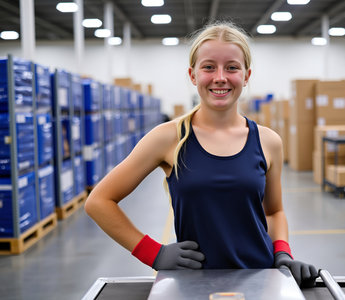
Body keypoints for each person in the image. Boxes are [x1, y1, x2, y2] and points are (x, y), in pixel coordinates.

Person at [85, 21, 318, 288]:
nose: (220, 77)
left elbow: (274, 211)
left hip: (259, 279)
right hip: (194, 283)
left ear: (246, 75)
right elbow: (99, 201)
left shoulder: (268, 141)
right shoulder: (168, 138)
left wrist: (283, 253)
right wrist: (153, 252)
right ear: (193, 75)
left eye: (232, 67)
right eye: (209, 67)